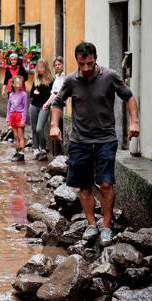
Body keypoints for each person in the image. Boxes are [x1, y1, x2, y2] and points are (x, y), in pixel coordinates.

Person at [50, 42, 140, 247]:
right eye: (82, 64)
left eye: (89, 63)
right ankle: (92, 224)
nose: (86, 68)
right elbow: (57, 102)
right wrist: (55, 125)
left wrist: (134, 122)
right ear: (77, 61)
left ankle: (106, 226)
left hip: (105, 139)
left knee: (106, 184)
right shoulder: (71, 80)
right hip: (80, 141)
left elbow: (129, 97)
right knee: (84, 185)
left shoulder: (109, 77)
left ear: (95, 58)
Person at [29, 59, 54, 161]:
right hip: (34, 106)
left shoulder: (51, 80)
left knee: (40, 128)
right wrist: (34, 93)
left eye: (42, 67)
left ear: (46, 68)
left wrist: (39, 93)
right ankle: (36, 149)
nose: (40, 70)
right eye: (38, 68)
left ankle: (43, 148)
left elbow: (51, 95)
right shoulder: (36, 79)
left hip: (44, 106)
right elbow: (31, 94)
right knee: (34, 129)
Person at [6, 75, 28, 161]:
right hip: (13, 116)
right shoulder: (11, 94)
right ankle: (17, 151)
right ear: (13, 84)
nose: (19, 84)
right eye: (17, 82)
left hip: (20, 115)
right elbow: (8, 107)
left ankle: (21, 153)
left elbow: (25, 108)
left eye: (20, 82)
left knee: (21, 136)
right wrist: (8, 119)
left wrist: (23, 120)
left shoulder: (24, 95)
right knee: (15, 136)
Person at [49, 56, 66, 155]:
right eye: (55, 65)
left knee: (60, 129)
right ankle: (57, 153)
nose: (57, 66)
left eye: (59, 64)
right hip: (54, 106)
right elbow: (53, 93)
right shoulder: (56, 77)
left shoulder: (64, 77)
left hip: (61, 107)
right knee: (55, 129)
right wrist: (47, 103)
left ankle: (61, 153)